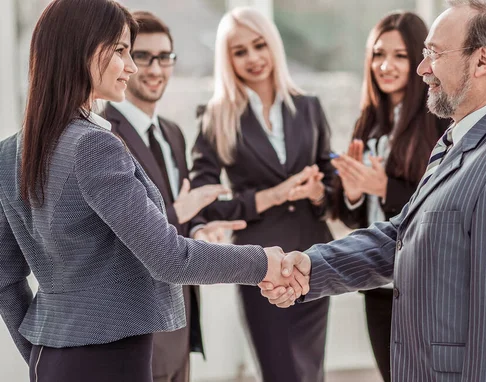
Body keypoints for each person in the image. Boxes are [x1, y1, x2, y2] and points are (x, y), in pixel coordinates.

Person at [262, 1, 486, 381]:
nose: (423, 68)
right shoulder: (457, 141)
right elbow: (403, 235)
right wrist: (311, 267)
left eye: (433, 54)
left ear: (482, 60)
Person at [0, 1, 306, 381]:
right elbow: (169, 259)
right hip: (109, 360)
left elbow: (4, 277)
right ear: (81, 49)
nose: (131, 66)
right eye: (121, 50)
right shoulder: (96, 146)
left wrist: (38, 354)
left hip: (54, 359)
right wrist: (263, 262)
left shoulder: (10, 151)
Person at [189, 7, 334, 382]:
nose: (253, 58)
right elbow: (204, 201)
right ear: (228, 59)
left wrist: (319, 192)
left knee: (311, 371)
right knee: (280, 372)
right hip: (261, 268)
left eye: (259, 45)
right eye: (240, 51)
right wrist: (270, 196)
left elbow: (331, 184)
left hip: (313, 259)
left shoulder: (309, 108)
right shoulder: (216, 116)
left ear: (274, 46)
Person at [103, 11, 247, 382]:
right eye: (143, 56)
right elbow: (115, 235)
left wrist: (198, 228)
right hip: (134, 320)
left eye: (165, 57)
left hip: (180, 314)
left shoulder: (172, 133)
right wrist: (178, 211)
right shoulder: (103, 136)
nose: (155, 68)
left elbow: (185, 210)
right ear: (124, 62)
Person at [330, 11, 447, 381]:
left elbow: (444, 199)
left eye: (399, 56)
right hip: (377, 283)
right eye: (378, 55)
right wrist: (351, 194)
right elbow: (356, 217)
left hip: (425, 281)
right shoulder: (368, 120)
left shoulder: (439, 119)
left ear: (419, 60)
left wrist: (383, 187)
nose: (386, 65)